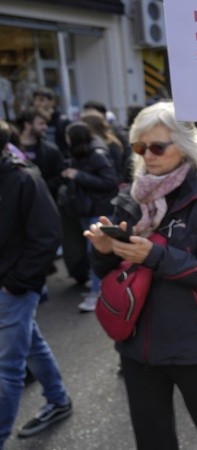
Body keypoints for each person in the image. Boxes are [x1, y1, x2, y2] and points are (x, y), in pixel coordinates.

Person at [83, 102, 197, 450]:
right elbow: (108, 270)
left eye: (157, 146)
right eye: (140, 147)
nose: (147, 155)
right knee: (152, 440)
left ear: (183, 146)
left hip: (194, 342)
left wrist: (154, 255)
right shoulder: (131, 196)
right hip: (138, 344)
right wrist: (103, 251)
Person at [0, 120, 73, 447]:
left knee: (6, 369)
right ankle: (58, 400)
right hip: (11, 286)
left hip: (13, 286)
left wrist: (14, 284)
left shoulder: (22, 178)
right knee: (30, 343)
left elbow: (47, 236)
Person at [60, 122, 118, 312]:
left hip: (98, 210)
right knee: (93, 252)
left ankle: (98, 293)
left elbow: (110, 181)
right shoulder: (81, 153)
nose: (66, 139)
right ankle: (98, 289)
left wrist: (78, 175)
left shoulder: (97, 154)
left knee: (96, 253)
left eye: (68, 135)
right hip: (87, 210)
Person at [17, 107, 64, 199]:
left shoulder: (51, 150)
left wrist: (42, 187)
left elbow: (60, 176)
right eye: (41, 124)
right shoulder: (11, 150)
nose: (45, 127)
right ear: (27, 125)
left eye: (45, 124)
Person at [31, 88, 70, 156]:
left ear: (51, 102)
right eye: (35, 100)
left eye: (41, 100)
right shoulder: (31, 120)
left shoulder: (61, 120)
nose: (37, 103)